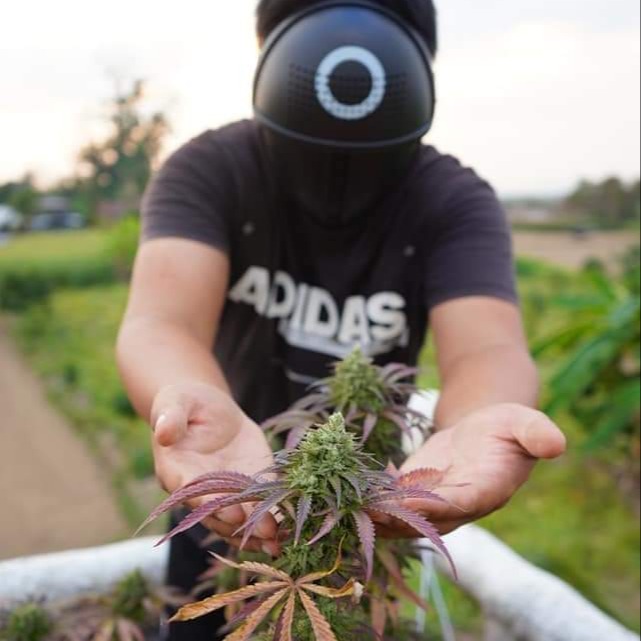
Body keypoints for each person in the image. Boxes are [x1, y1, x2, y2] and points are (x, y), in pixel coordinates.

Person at [116, 1, 567, 639]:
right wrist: (189, 402)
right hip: (228, 494)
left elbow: (486, 351)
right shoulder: (211, 170)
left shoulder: (452, 200)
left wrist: (474, 422)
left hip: (367, 513)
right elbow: (162, 323)